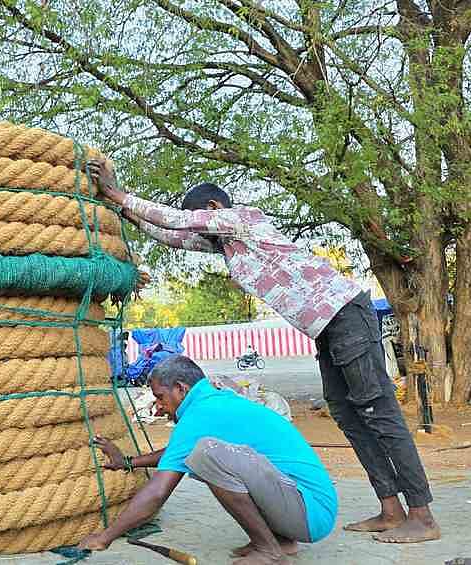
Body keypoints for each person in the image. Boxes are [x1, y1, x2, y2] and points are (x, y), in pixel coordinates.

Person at [87, 160, 440, 544]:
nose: (194, 222)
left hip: (345, 313)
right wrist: (120, 205)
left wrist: (120, 194)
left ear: (213, 211)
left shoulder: (243, 219)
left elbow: (178, 221)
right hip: (325, 327)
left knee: (378, 411)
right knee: (348, 415)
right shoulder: (229, 245)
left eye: (198, 216)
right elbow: (171, 233)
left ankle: (420, 515)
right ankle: (391, 509)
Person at [78, 356, 337, 564]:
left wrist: (105, 537)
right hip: (306, 509)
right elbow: (176, 453)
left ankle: (269, 551)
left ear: (181, 389)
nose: (158, 406)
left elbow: (158, 492)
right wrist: (128, 462)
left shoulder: (200, 414)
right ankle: (281, 540)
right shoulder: (212, 402)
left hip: (309, 512)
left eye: (160, 397)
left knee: (206, 454)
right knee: (203, 453)